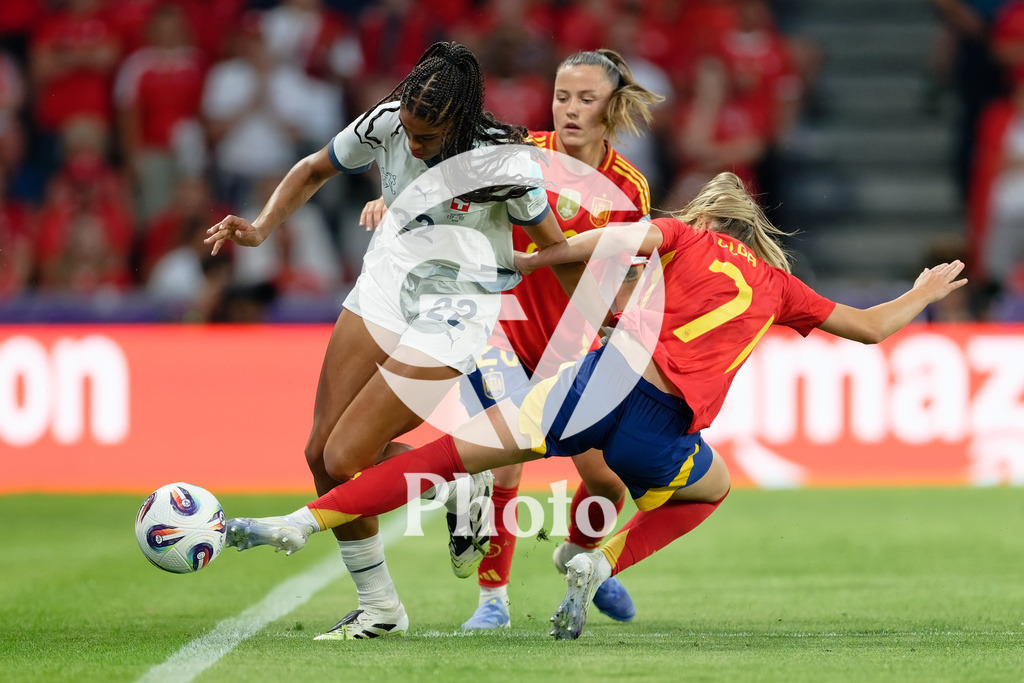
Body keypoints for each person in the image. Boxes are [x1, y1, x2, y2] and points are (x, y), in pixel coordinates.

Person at [221, 171, 968, 639]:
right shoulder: (778, 287)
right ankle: (597, 559)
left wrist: (532, 256)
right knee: (710, 487)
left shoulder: (683, 236)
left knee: (450, 455)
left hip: (595, 387)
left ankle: (298, 520)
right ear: (760, 239)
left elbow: (612, 241)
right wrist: (923, 293)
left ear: (712, 219)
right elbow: (870, 328)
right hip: (661, 430)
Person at [205, 41, 580, 641]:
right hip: (385, 283)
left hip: (456, 311)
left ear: (457, 123)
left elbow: (556, 246)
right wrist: (260, 228)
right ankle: (383, 604)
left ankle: (457, 485)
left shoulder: (505, 165)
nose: (412, 144)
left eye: (427, 137)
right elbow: (313, 169)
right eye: (408, 130)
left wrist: (601, 307)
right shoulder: (388, 121)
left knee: (346, 458)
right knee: (317, 455)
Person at [358, 48, 663, 630]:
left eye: (585, 99)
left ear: (611, 108)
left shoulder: (628, 186)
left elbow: (627, 271)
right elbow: (436, 184)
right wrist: (388, 198)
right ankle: (492, 601)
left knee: (606, 478)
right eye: (561, 96)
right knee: (506, 463)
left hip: (570, 347)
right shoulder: (519, 156)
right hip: (499, 328)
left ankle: (580, 556)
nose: (570, 110)